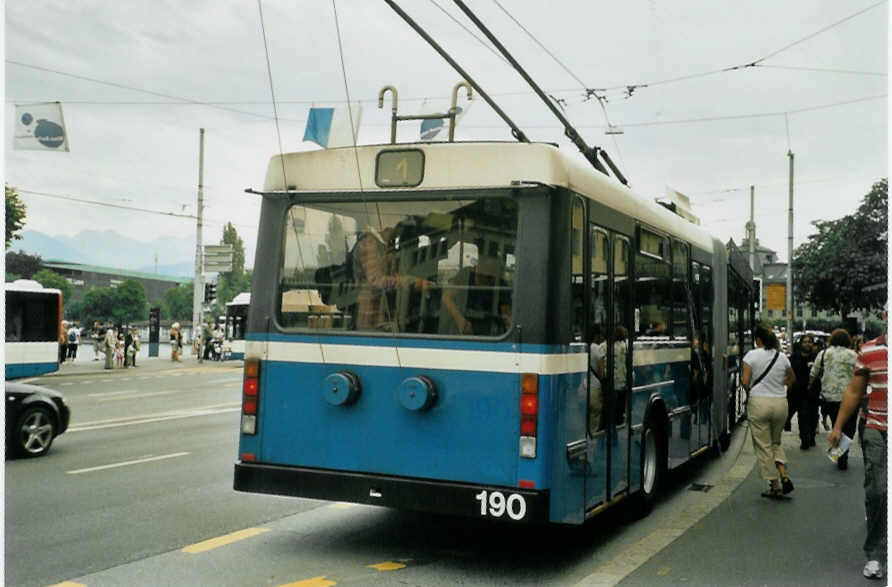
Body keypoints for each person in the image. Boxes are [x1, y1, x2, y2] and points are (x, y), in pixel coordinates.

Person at [828, 317, 886, 580]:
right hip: (876, 427)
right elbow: (854, 391)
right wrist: (838, 426)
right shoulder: (870, 351)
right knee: (878, 489)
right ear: (886, 317)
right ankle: (876, 555)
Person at [742, 324, 795, 499]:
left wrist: (751, 390)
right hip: (780, 403)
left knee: (763, 446)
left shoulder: (751, 355)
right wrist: (780, 387)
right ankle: (784, 475)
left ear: (758, 339)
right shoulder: (782, 357)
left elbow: (745, 381)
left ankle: (775, 485)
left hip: (759, 403)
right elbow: (791, 378)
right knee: (775, 442)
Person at [811, 328, 857, 470]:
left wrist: (810, 385)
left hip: (830, 397)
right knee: (849, 429)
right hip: (849, 397)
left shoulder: (823, 354)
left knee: (837, 425)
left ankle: (839, 454)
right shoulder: (854, 355)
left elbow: (814, 373)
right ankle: (842, 455)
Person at [442, 247, 512, 336]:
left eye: (489, 265)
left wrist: (508, 325)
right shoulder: (465, 274)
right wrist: (460, 321)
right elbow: (447, 297)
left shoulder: (500, 284)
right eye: (482, 262)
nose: (484, 269)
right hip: (462, 327)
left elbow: (506, 314)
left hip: (490, 331)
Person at [789, 335, 818, 449]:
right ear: (800, 344)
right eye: (805, 342)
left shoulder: (816, 358)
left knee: (813, 416)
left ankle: (811, 437)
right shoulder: (794, 357)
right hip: (797, 392)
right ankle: (805, 440)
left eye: (809, 342)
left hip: (813, 392)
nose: (807, 344)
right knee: (803, 415)